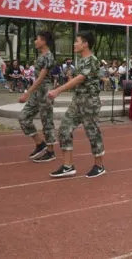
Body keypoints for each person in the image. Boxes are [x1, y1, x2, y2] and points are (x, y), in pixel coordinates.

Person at [48, 31, 105, 178]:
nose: (74, 44)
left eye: (77, 41)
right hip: (77, 100)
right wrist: (69, 78)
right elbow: (79, 81)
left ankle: (99, 166)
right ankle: (68, 166)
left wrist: (58, 90)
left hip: (89, 102)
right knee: (64, 129)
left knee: (92, 133)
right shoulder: (80, 61)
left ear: (85, 44)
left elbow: (80, 79)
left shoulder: (92, 60)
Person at [17, 32, 57, 162]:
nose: (35, 41)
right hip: (37, 92)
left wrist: (27, 93)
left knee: (47, 122)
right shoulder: (41, 56)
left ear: (44, 41)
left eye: (38, 39)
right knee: (24, 117)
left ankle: (50, 152)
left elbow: (41, 78)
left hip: (45, 91)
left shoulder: (49, 56)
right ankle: (40, 144)